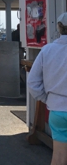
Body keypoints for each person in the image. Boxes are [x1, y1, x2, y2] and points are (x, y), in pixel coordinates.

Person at [28, 12, 67, 165]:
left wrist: (48, 99)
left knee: (59, 156)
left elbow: (33, 83)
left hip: (57, 109)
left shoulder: (47, 50)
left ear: (59, 27)